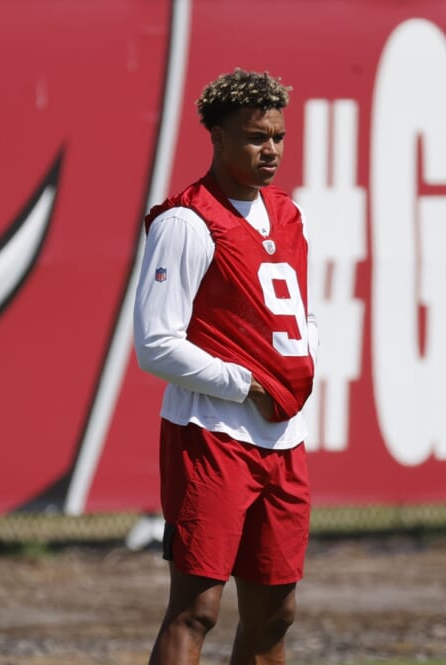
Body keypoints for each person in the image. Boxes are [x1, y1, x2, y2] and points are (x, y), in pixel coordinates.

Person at [134, 68, 317, 665]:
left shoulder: (289, 214)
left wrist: (303, 361)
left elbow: (301, 316)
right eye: (255, 137)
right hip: (209, 436)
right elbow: (155, 343)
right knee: (196, 609)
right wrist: (246, 384)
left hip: (283, 439)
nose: (271, 150)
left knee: (275, 613)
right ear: (216, 137)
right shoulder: (186, 221)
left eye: (278, 136)